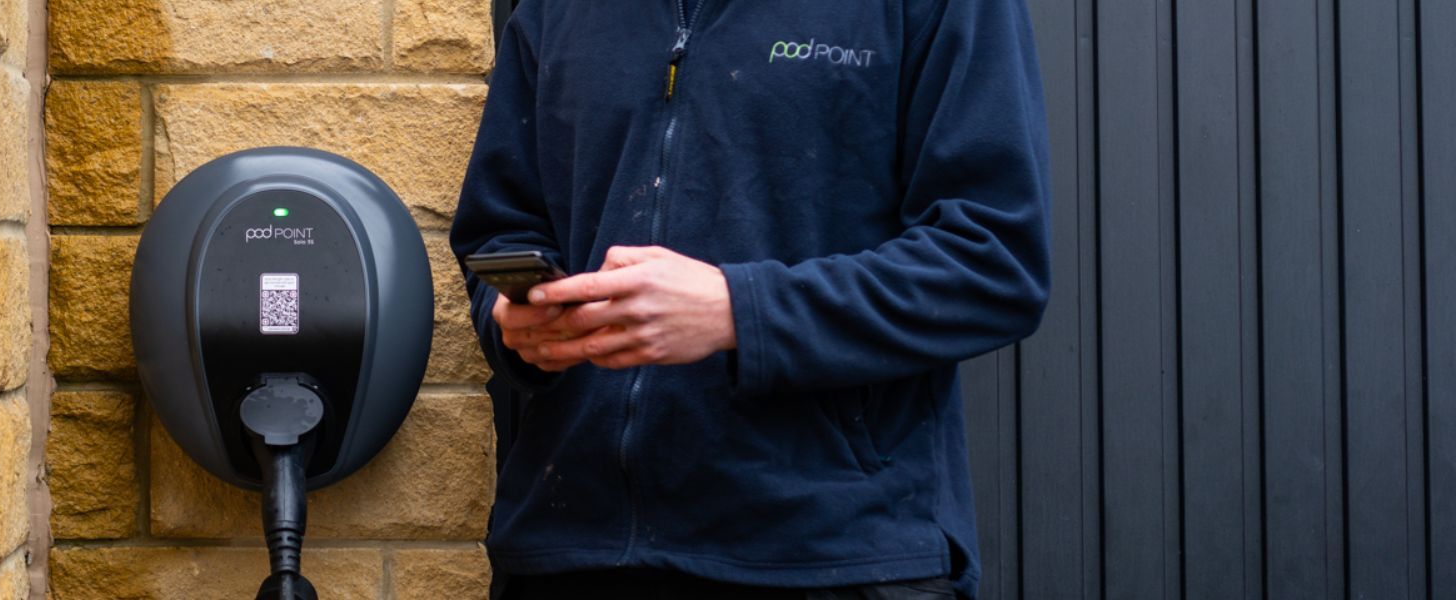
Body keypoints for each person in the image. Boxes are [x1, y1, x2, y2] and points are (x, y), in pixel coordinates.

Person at [448, 0, 1053, 597]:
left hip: (834, 556)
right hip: (572, 550)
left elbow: (992, 261)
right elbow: (499, 229)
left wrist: (741, 312)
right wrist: (520, 322)